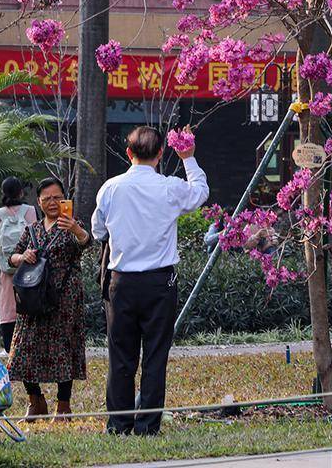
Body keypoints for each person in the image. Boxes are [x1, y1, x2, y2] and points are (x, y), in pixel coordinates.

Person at [91, 125, 208, 436]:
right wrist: (189, 158)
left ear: (129, 154)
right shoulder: (170, 188)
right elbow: (200, 192)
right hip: (160, 284)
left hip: (121, 283)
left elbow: (98, 232)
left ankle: (119, 424)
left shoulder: (110, 188)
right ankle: (147, 426)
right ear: (160, 153)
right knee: (155, 356)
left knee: (120, 357)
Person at [8, 176, 91, 420]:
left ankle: (63, 406)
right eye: (47, 199)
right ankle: (36, 402)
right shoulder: (31, 230)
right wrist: (23, 257)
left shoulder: (72, 225)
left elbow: (86, 243)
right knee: (23, 349)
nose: (52, 202)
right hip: (33, 297)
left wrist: (76, 229)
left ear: (65, 199)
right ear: (39, 202)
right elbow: (11, 258)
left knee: (64, 347)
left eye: (57, 197)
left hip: (65, 298)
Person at [0, 177, 36, 354]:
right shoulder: (31, 211)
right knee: (31, 304)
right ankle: (31, 348)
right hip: (30, 268)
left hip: (5, 271)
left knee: (8, 308)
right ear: (21, 192)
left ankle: (11, 349)